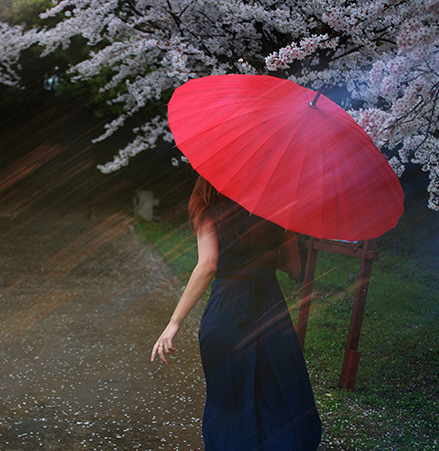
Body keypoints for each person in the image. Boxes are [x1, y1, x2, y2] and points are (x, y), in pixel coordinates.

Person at [151, 176, 322, 451]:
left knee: (228, 401)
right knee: (276, 394)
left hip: (226, 315)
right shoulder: (278, 210)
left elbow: (208, 265)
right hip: (270, 312)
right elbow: (293, 266)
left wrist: (174, 323)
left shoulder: (208, 208)